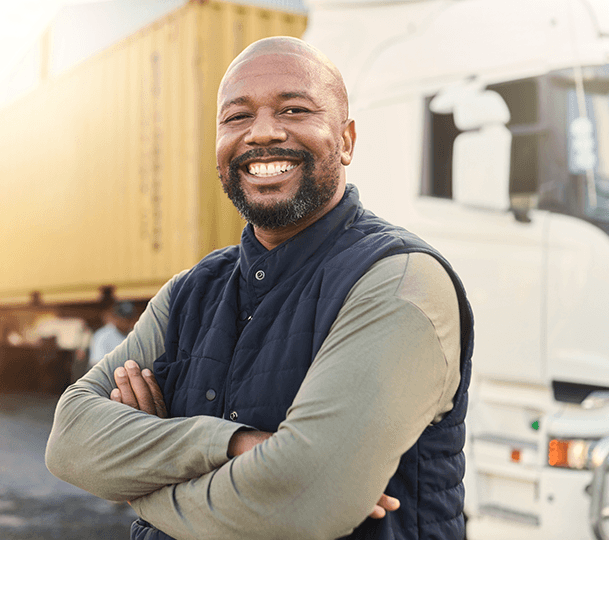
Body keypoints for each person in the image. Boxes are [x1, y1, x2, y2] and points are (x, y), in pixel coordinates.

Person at [45, 36, 474, 539]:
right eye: (236, 117)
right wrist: (234, 446)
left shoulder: (398, 280)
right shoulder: (191, 292)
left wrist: (137, 484)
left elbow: (302, 500)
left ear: (347, 140)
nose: (262, 133)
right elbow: (70, 440)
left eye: (294, 109)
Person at [87, 301, 137, 368]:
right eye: (123, 318)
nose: (125, 322)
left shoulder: (135, 335)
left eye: (129, 318)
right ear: (115, 317)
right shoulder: (102, 335)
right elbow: (97, 364)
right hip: (107, 375)